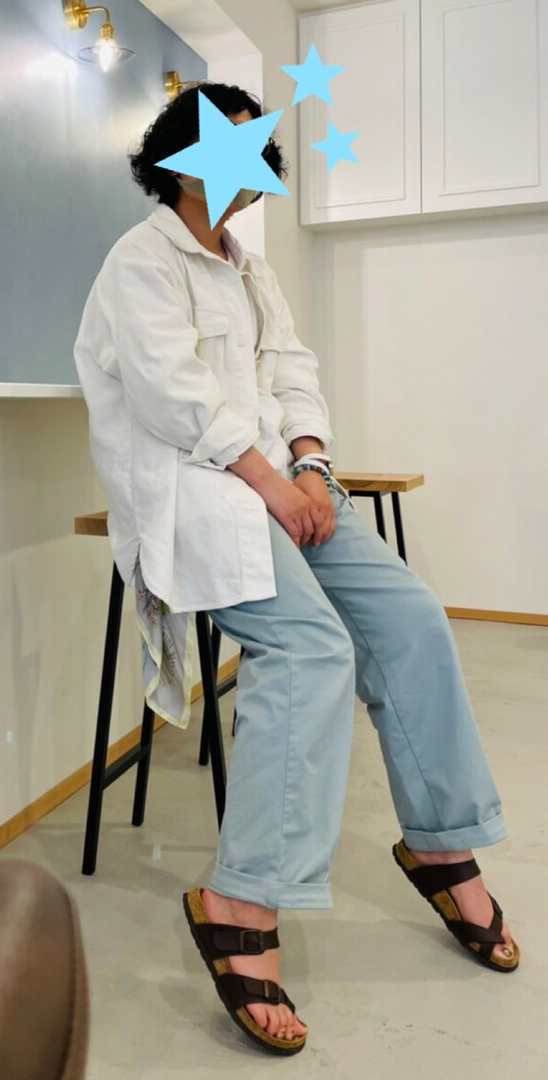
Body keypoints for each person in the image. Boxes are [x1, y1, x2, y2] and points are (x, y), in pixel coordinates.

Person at [72, 81, 518, 1056]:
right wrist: (274, 483)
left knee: (411, 617)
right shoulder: (140, 261)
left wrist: (311, 465)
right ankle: (240, 899)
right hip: (198, 490)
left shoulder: (251, 269)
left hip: (282, 482)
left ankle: (439, 840)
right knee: (312, 647)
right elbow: (173, 397)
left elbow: (292, 370)